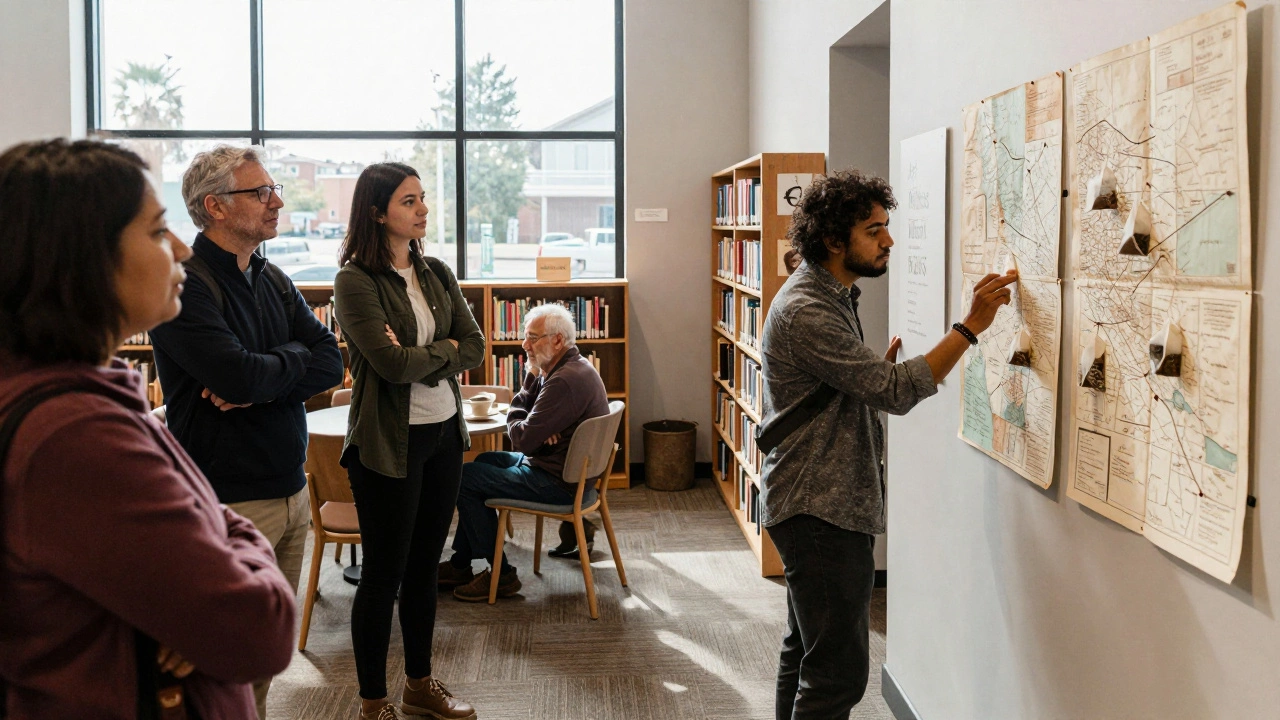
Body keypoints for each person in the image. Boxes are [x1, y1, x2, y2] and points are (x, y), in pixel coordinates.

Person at [0, 139, 296, 719]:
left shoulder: (85, 394)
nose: (182, 249)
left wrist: (210, 542)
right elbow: (259, 628)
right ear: (83, 257)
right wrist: (237, 543)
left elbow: (322, 359)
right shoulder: (76, 437)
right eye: (158, 231)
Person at [759, 169, 1016, 719]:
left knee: (805, 651)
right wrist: (970, 326)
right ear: (834, 240)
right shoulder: (808, 307)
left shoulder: (828, 294)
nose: (889, 241)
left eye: (886, 227)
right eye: (874, 230)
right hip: (819, 508)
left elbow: (855, 387)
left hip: (815, 498)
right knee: (836, 676)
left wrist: (869, 372)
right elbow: (895, 395)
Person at [148, 145, 344, 718]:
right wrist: (279, 365)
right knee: (217, 666)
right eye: (260, 192)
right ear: (215, 206)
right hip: (228, 500)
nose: (276, 201)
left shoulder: (272, 276)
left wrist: (265, 372)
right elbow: (234, 372)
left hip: (292, 489)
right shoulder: (185, 285)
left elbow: (330, 359)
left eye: (273, 188)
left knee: (263, 659)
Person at [333, 162, 485, 720]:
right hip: (388, 444)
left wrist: (433, 353)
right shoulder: (355, 281)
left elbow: (477, 345)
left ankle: (419, 684)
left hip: (444, 433)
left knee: (426, 567)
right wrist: (439, 352)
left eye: (422, 199)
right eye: (408, 201)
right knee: (383, 574)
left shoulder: (437, 272)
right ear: (377, 212)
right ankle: (374, 702)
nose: (423, 210)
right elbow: (392, 366)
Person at [438, 303, 610, 603]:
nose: (524, 344)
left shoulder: (563, 381)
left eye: (533, 337)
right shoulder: (568, 367)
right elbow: (529, 430)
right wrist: (536, 423)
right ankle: (461, 564)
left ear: (557, 340)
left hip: (557, 482)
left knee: (465, 479)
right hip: (560, 469)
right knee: (484, 461)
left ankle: (501, 574)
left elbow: (520, 439)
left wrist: (529, 427)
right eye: (525, 335)